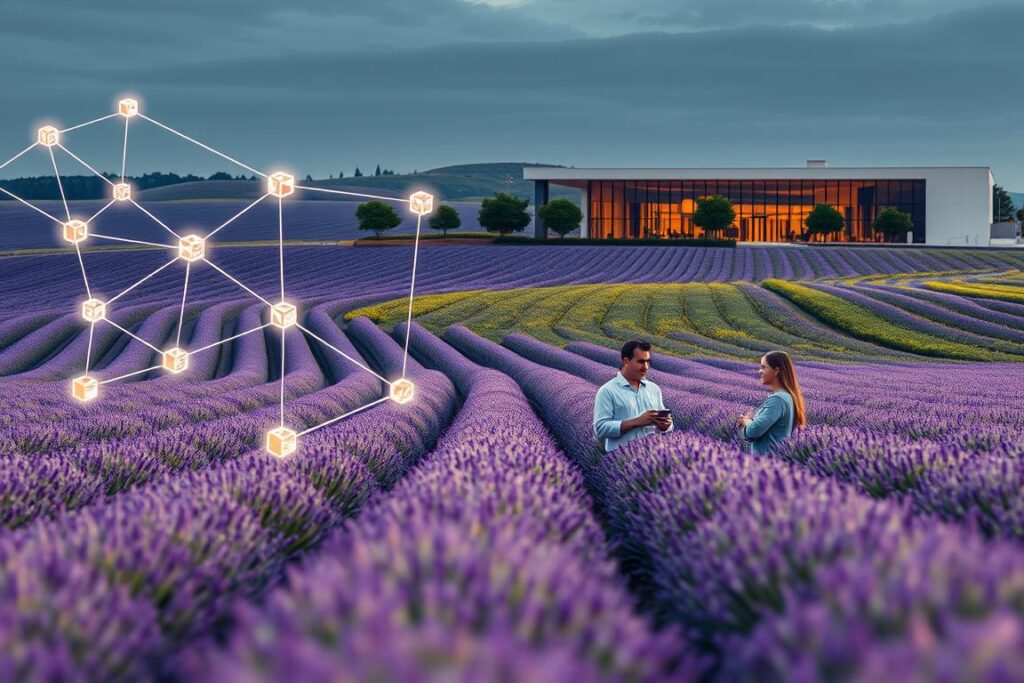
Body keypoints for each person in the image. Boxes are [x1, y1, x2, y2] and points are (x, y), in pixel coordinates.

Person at [593, 339, 673, 452]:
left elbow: (667, 423)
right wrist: (636, 422)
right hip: (621, 461)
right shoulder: (607, 391)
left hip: (653, 457)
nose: (646, 367)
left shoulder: (653, 389)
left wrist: (666, 426)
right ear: (626, 361)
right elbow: (600, 429)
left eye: (648, 362)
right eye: (641, 362)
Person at [738, 350, 806, 454]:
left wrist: (746, 420)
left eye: (763, 367)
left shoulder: (778, 399)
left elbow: (754, 431)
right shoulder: (787, 397)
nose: (759, 371)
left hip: (765, 462)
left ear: (776, 370)